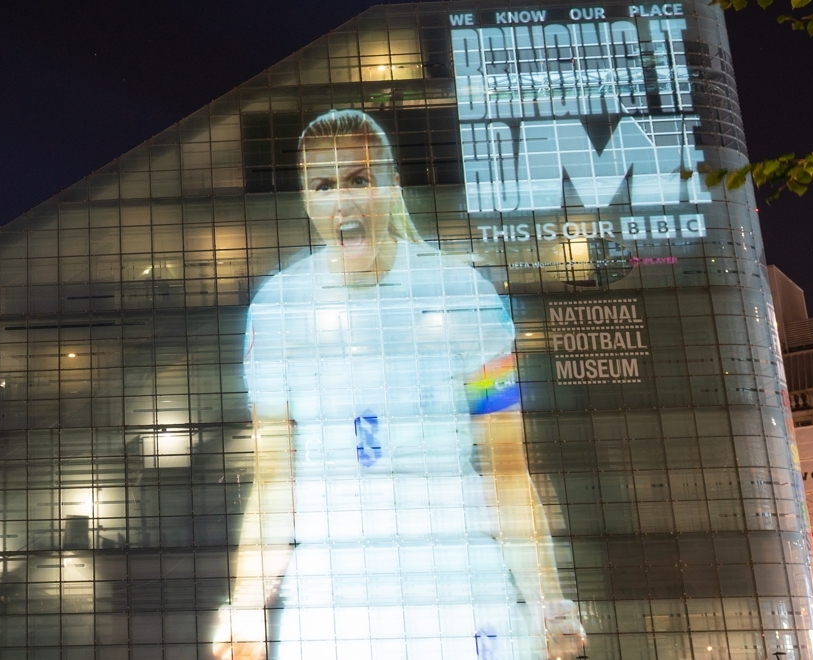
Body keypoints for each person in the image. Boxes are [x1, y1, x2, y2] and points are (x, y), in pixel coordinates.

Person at [213, 109, 585, 660]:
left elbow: (507, 468)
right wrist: (246, 610)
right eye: (323, 185)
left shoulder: (468, 296)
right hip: (332, 604)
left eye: (359, 179)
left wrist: (549, 603)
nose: (343, 201)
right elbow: (272, 482)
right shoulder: (275, 311)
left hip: (460, 593)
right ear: (306, 199)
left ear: (390, 186)